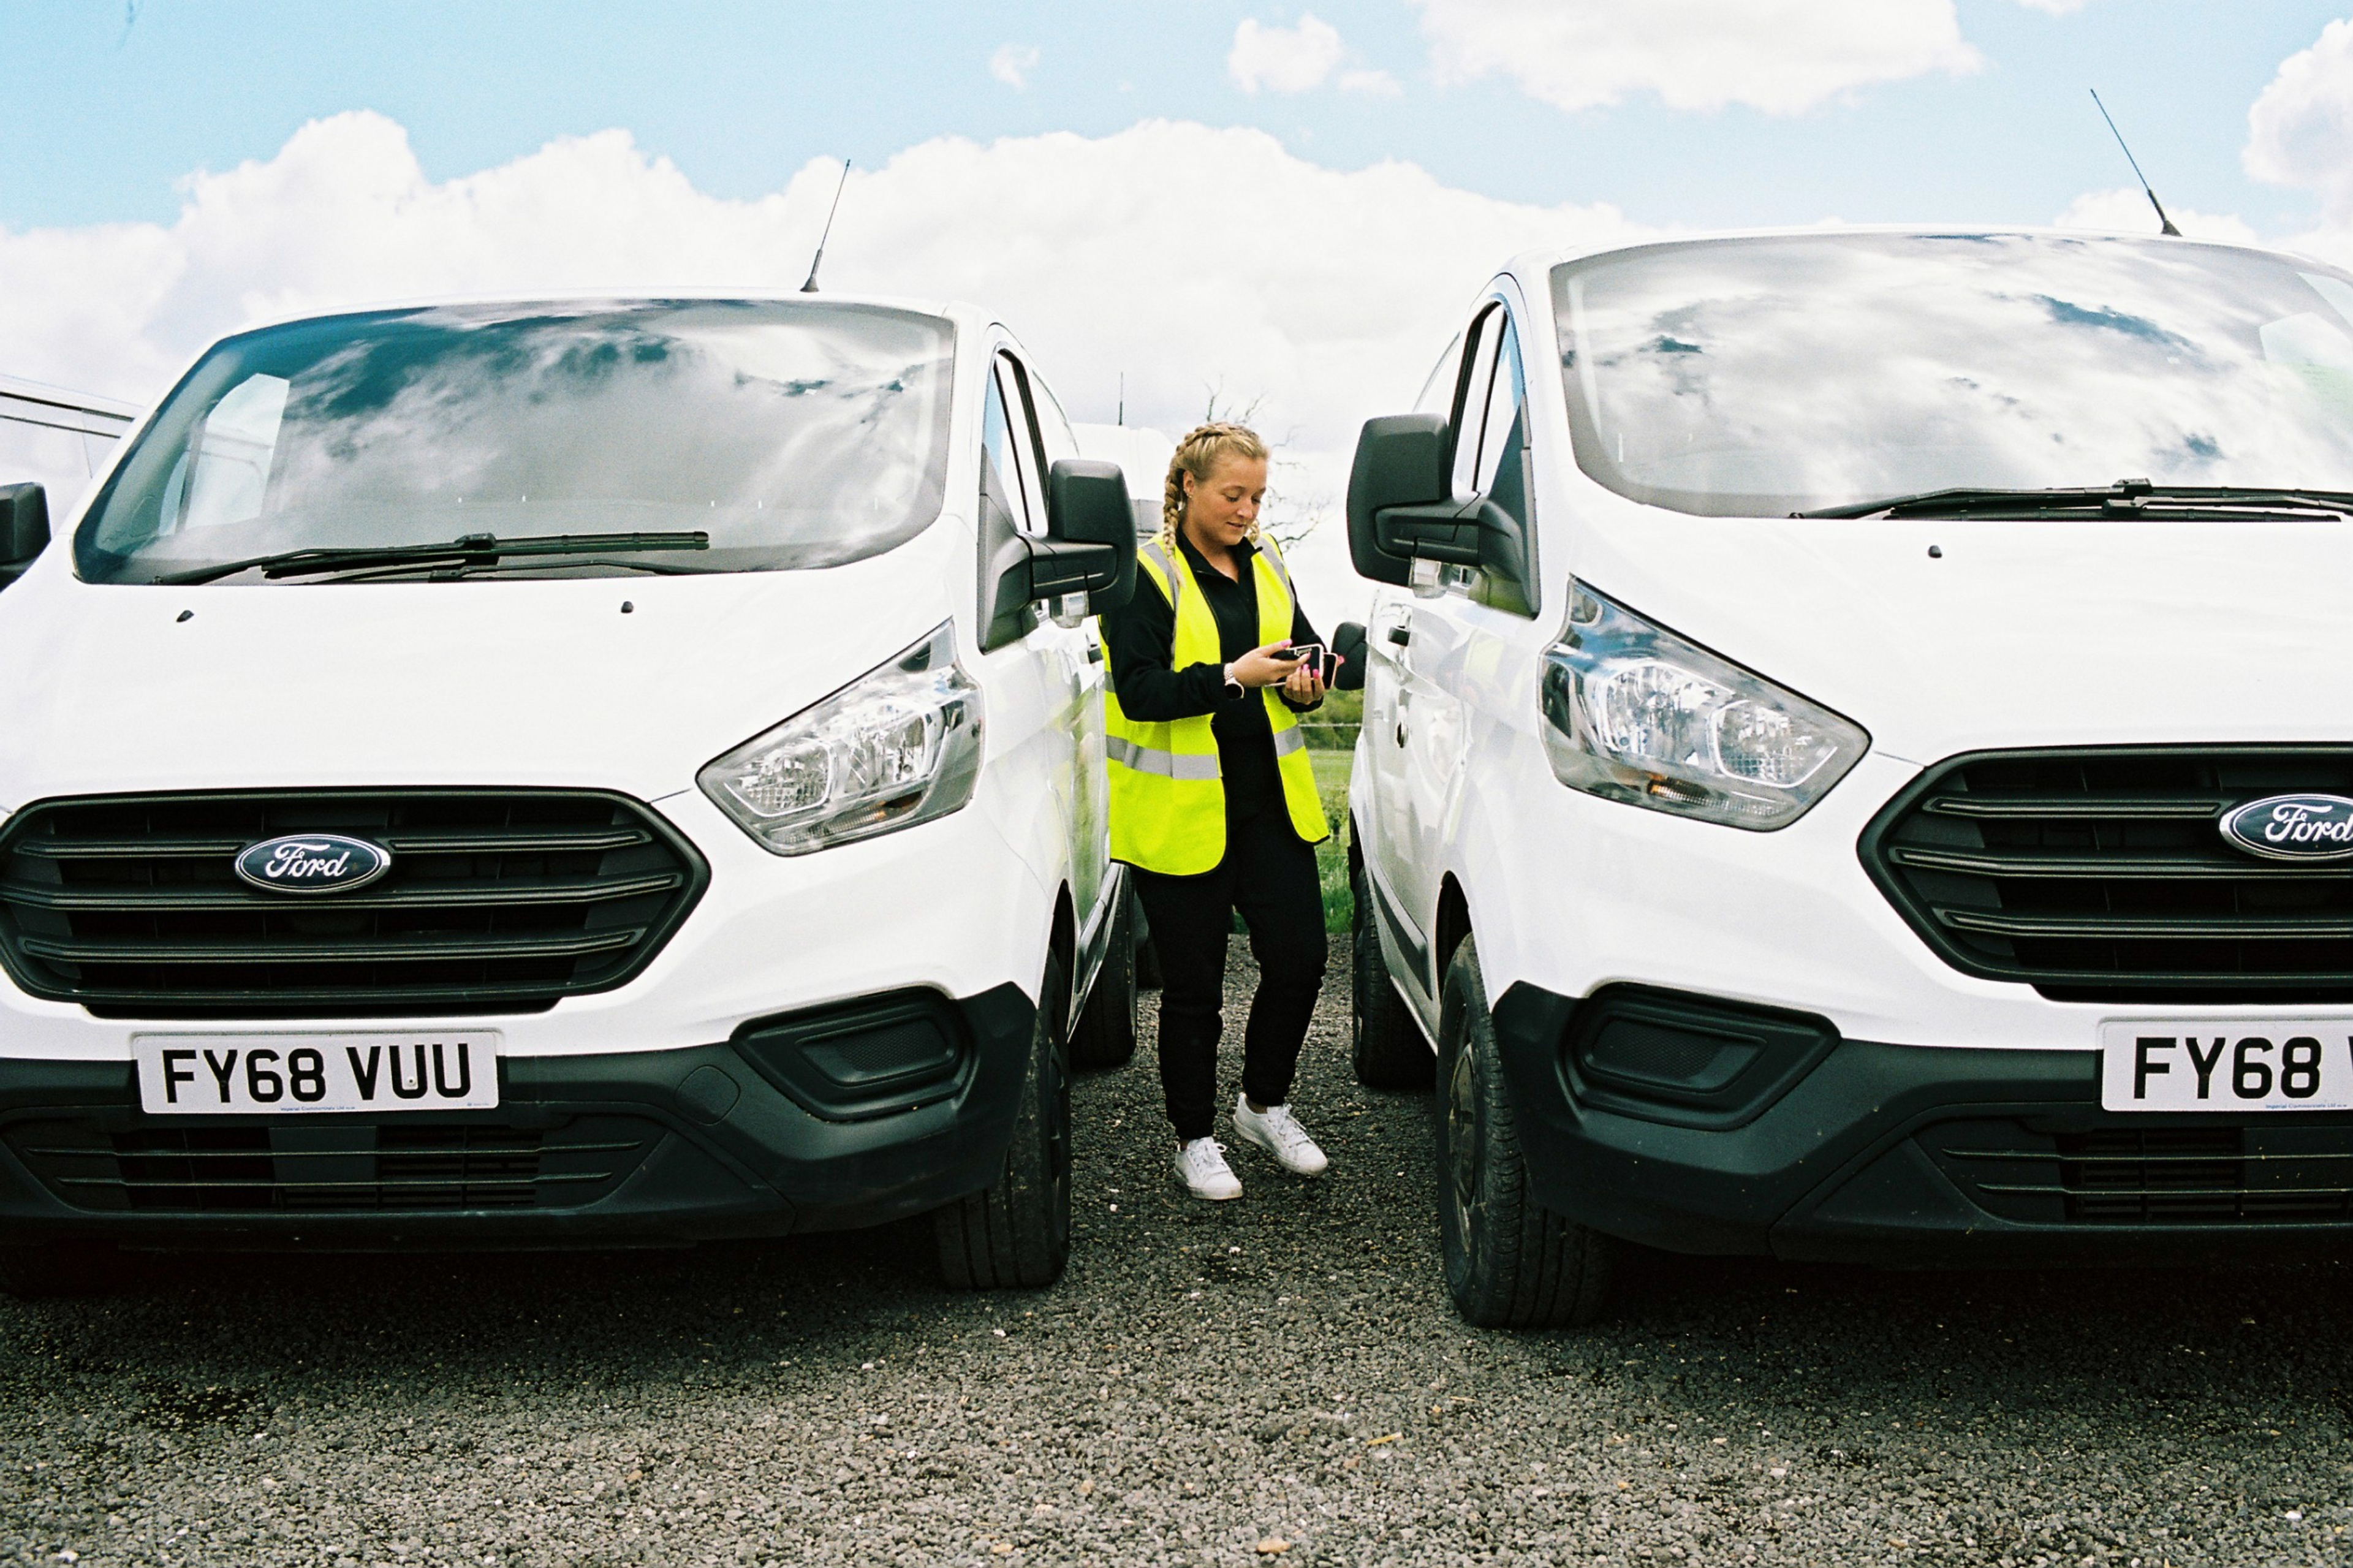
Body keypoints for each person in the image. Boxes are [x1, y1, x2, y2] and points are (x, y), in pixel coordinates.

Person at [1098, 422, 1337, 1200]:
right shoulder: (1144, 575)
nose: (1247, 511)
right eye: (1234, 495)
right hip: (1183, 816)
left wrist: (1311, 678)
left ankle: (1263, 1105)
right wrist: (1231, 676)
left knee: (1301, 959)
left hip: (1269, 804)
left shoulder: (1268, 561)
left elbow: (1304, 646)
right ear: (1189, 489)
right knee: (1194, 989)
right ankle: (1194, 1138)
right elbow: (1140, 692)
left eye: (1258, 496)